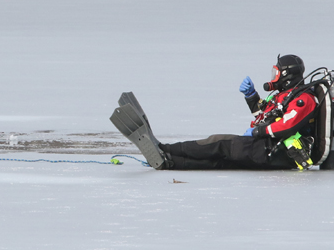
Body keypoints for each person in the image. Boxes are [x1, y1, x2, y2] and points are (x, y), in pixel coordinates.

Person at [113, 54, 320, 171]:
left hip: (277, 152)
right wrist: (251, 96)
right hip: (269, 149)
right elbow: (266, 113)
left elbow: (288, 124)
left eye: (276, 72)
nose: (273, 77)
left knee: (220, 143)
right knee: (222, 159)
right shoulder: (286, 95)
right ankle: (169, 160)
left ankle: (165, 149)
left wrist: (258, 133)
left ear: (286, 74)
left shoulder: (304, 99)